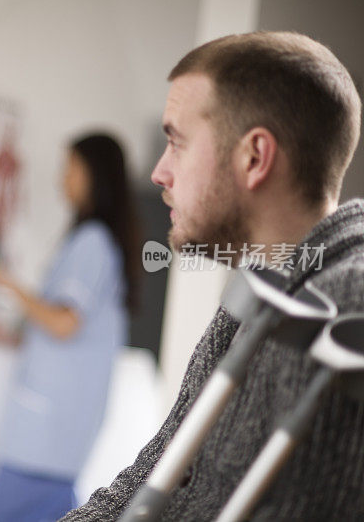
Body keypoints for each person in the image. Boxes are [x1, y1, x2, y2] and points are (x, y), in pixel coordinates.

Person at [61, 32, 364, 521]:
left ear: (254, 157)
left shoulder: (346, 300)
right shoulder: (260, 287)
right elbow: (151, 478)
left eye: (177, 142)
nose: (159, 173)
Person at [0, 133, 140, 522]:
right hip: (53, 434)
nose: (63, 179)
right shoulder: (91, 241)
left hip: (45, 437)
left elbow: (65, 324)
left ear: (95, 176)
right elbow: (61, 327)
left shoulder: (93, 241)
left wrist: (4, 280)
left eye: (71, 169)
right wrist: (15, 338)